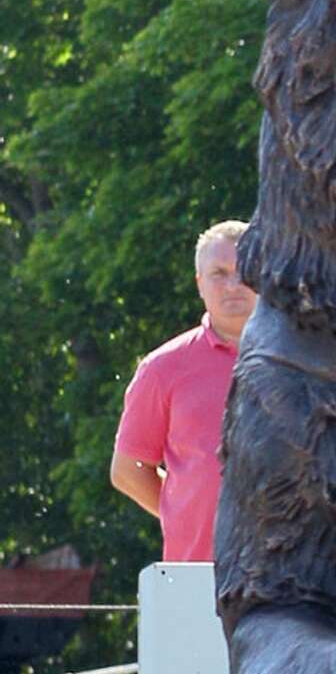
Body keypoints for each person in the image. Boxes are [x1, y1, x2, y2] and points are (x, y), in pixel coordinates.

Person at [110, 221, 255, 559]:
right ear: (199, 284)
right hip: (197, 575)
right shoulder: (163, 368)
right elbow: (127, 469)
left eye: (245, 270)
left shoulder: (304, 362)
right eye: (219, 273)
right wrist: (184, 514)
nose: (233, 284)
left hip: (295, 580)